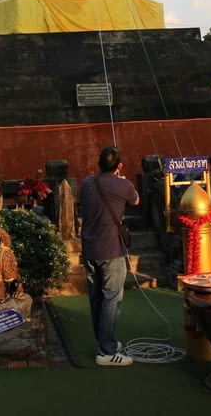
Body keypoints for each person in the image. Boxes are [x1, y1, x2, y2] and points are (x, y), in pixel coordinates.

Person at [79, 145, 139, 366]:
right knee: (111, 299)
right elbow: (136, 201)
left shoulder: (87, 183)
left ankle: (104, 341)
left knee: (96, 298)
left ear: (98, 164)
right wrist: (121, 180)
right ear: (119, 166)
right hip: (112, 250)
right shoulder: (124, 185)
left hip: (89, 250)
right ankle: (106, 350)